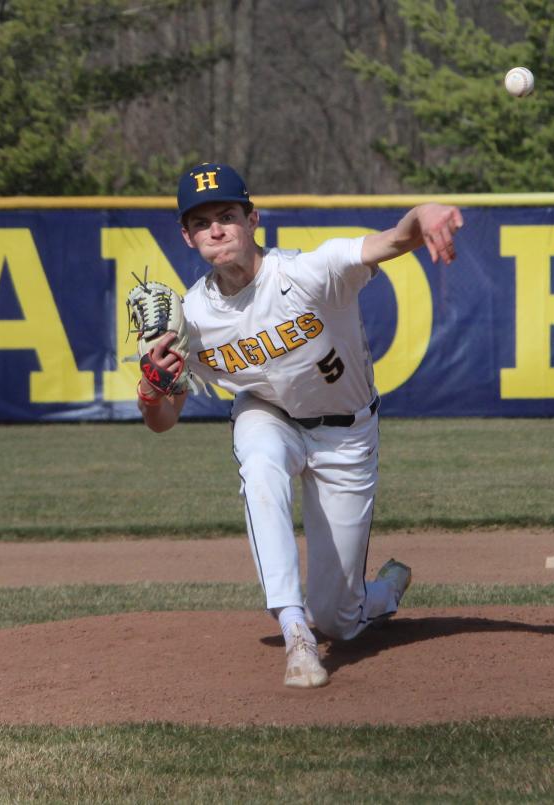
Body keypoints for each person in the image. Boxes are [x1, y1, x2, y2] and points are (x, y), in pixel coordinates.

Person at [136, 162, 463, 688]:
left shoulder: (308, 273)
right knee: (260, 464)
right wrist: (152, 391)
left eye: (226, 215)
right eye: (201, 222)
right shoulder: (190, 318)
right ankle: (295, 633)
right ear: (187, 235)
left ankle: (382, 591)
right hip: (269, 416)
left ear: (252, 218)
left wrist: (418, 218)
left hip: (347, 434)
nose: (215, 229)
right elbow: (162, 422)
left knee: (340, 618)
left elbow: (388, 242)